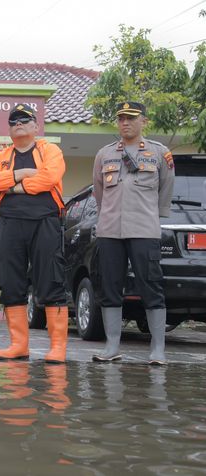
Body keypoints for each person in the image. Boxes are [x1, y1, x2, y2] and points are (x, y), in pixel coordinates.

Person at [0, 103, 68, 363]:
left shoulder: (50, 150)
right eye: (13, 121)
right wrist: (20, 173)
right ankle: (18, 344)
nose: (18, 123)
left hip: (45, 221)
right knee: (10, 282)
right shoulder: (2, 156)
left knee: (51, 280)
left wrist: (14, 187)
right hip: (8, 223)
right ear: (9, 129)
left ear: (35, 126)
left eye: (24, 119)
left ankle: (57, 348)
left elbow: (50, 177)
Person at [91, 102, 175, 365]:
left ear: (144, 121)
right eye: (121, 119)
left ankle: (158, 349)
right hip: (110, 230)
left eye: (131, 118)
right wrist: (109, 215)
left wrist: (152, 215)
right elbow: (99, 192)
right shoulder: (104, 155)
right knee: (110, 285)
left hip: (144, 229)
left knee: (151, 284)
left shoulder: (160, 153)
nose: (125, 123)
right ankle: (112, 346)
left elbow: (165, 190)